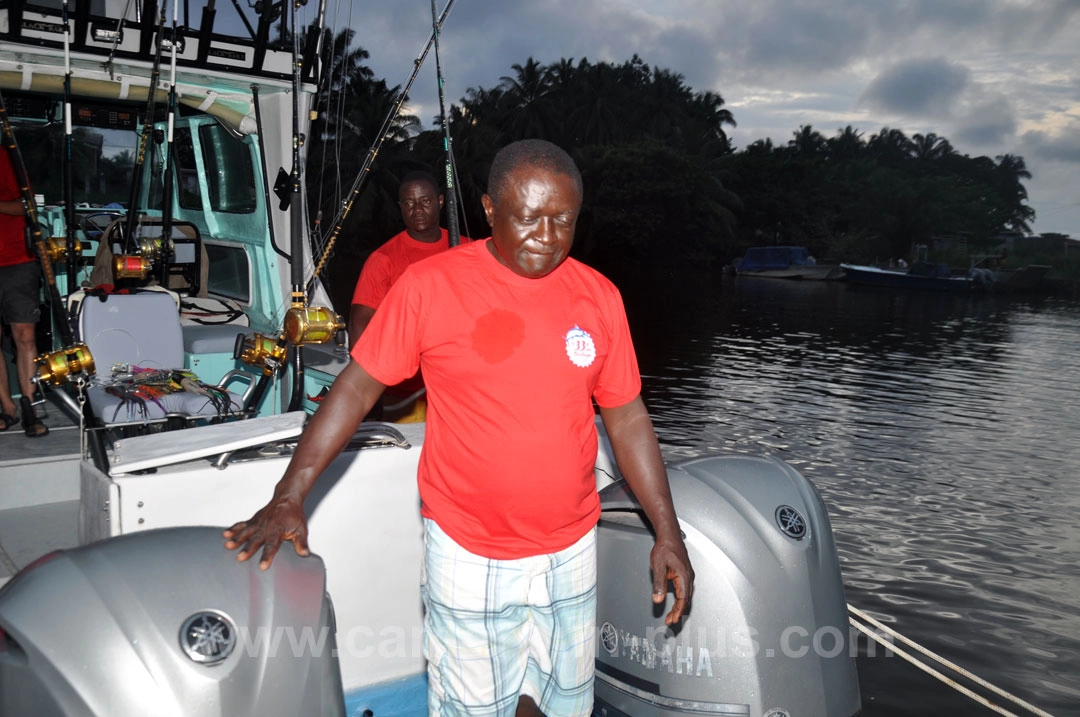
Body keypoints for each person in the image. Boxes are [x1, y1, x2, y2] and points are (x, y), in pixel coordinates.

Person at [224, 140, 694, 716]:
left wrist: (667, 531)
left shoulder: (598, 296)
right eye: (527, 218)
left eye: (563, 220)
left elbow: (627, 415)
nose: (546, 237)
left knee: (562, 703)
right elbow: (354, 388)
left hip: (571, 547)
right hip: (469, 551)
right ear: (489, 211)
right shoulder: (430, 286)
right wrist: (289, 493)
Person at [347, 170, 465, 419]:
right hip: (404, 395)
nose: (418, 209)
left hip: (460, 389)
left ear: (441, 201)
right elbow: (360, 325)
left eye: (426, 201)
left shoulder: (468, 249)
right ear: (401, 207)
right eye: (409, 203)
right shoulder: (383, 259)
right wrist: (366, 387)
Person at [0, 149, 47, 437]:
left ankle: (29, 405)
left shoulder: (6, 156)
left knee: (24, 335)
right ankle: (7, 407)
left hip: (17, 259)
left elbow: (27, 206)